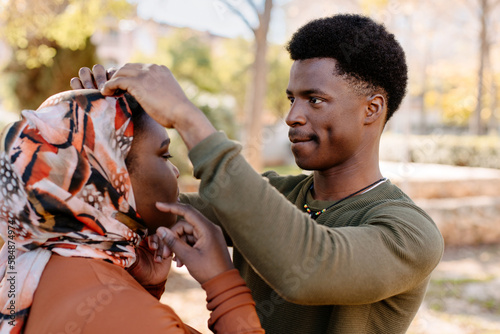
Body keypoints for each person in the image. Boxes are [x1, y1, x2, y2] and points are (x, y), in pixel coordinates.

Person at [73, 14, 444, 334]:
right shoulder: (274, 192)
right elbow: (153, 207)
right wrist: (100, 129)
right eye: (291, 99)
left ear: (372, 109)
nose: (292, 116)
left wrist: (188, 117)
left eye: (314, 99)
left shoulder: (409, 232)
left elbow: (307, 267)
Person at [0, 89, 264, 333]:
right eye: (165, 155)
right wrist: (223, 284)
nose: (176, 172)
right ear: (110, 175)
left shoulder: (30, 262)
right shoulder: (129, 314)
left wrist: (145, 287)